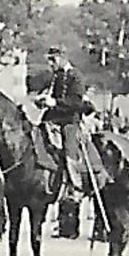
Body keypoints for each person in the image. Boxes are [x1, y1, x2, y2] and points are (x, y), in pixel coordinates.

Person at [37, 45, 92, 237]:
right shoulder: (55, 78)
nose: (50, 64)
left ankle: (74, 185)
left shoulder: (75, 76)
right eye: (49, 60)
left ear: (62, 58)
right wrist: (43, 100)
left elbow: (77, 103)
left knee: (70, 153)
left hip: (69, 120)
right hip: (52, 119)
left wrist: (55, 103)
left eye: (53, 60)